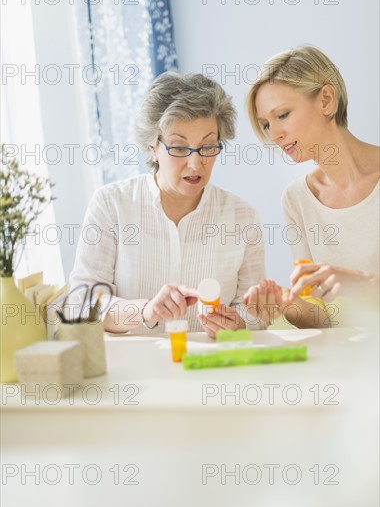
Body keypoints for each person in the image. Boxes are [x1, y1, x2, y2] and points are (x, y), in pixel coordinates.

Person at [69, 72, 267, 337]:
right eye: (179, 148)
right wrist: (145, 311)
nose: (196, 164)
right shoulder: (111, 205)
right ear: (153, 146)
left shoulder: (242, 217)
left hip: (212, 370)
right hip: (133, 373)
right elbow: (83, 303)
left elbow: (254, 311)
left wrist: (238, 323)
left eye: (208, 147)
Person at [244, 45, 379, 322]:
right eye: (266, 124)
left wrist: (365, 284)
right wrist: (287, 305)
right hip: (344, 357)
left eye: (282, 115)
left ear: (326, 100)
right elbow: (320, 317)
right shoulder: (297, 198)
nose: (275, 135)